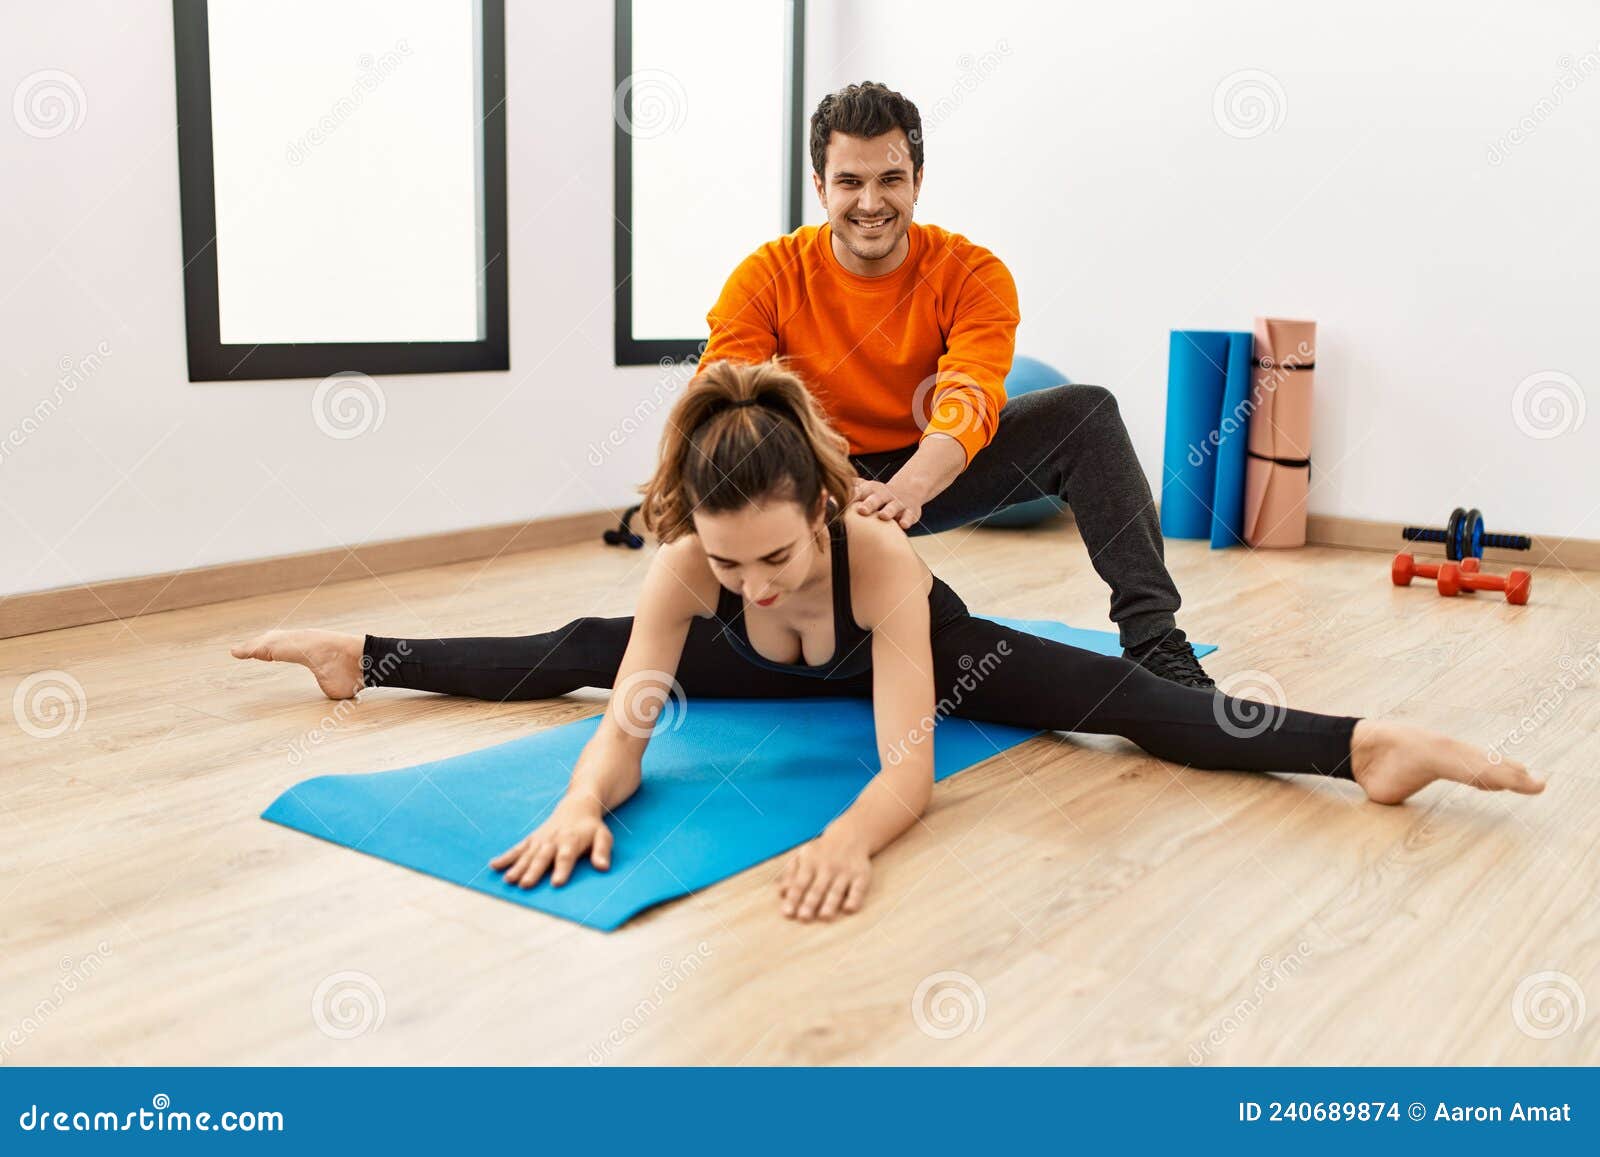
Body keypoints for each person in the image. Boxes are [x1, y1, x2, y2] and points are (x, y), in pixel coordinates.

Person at [232, 360, 1544, 924]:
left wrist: (845, 838)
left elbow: (904, 766)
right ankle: (368, 655)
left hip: (918, 652)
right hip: (745, 665)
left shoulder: (879, 551)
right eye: (725, 558)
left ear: (824, 506)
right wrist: (583, 798)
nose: (748, 577)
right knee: (580, 634)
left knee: (1118, 695)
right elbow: (626, 721)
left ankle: (1361, 744)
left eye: (776, 555)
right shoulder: (697, 568)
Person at [697, 80, 1215, 687]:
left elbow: (969, 394)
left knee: (1086, 413)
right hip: (813, 478)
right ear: (820, 187)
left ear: (917, 181)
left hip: (930, 467)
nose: (870, 202)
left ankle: (1154, 640)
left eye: (890, 179)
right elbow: (721, 406)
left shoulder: (972, 272)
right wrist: (819, 488)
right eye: (849, 182)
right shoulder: (768, 274)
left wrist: (911, 485)